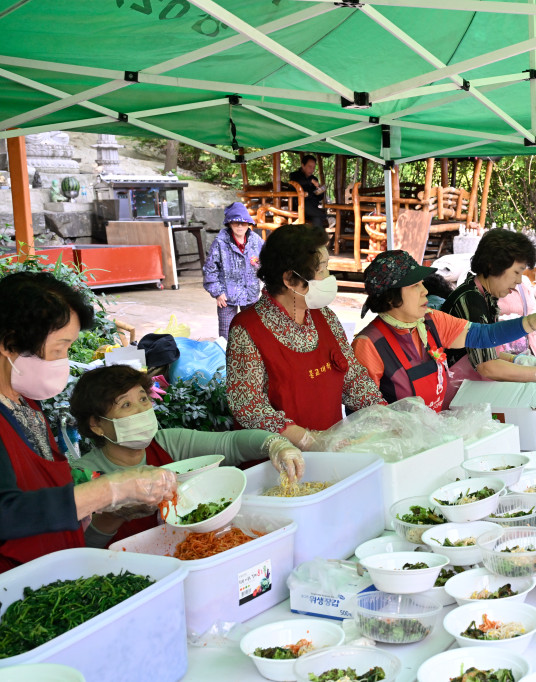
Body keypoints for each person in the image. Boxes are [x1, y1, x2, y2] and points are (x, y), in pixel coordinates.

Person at [0, 272, 177, 572]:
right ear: (10, 343)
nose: (64, 360)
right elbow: (8, 514)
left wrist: (108, 508)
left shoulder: (25, 402)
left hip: (57, 571)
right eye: (59, 349)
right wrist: (112, 489)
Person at [69, 365, 304, 546]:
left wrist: (275, 444)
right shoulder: (81, 475)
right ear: (96, 425)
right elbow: (78, 549)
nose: (142, 409)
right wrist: (113, 516)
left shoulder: (167, 442)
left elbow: (231, 443)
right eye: (126, 405)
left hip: (187, 554)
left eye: (142, 399)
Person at [226, 224, 385, 450]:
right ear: (290, 279)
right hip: (279, 459)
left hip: (331, 453)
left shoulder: (325, 316)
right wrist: (308, 440)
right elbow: (248, 406)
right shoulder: (247, 329)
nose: (329, 277)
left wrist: (384, 413)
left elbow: (353, 380)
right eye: (321, 270)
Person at [353, 250, 536, 411]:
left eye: (422, 284)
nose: (425, 290)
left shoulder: (431, 321)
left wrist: (535, 321)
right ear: (391, 298)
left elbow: (484, 335)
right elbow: (364, 417)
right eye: (414, 286)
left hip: (435, 432)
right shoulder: (368, 344)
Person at [439, 232, 536, 390]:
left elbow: (486, 350)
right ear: (493, 265)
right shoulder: (470, 300)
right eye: (516, 272)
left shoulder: (486, 297)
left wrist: (516, 360)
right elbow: (487, 366)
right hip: (454, 393)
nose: (519, 281)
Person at [203, 202, 264, 339]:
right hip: (226, 296)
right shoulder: (220, 242)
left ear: (248, 223)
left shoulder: (257, 241)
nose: (240, 226)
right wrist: (217, 292)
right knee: (226, 333)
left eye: (243, 223)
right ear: (230, 223)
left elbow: (267, 263)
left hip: (251, 294)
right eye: (236, 223)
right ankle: (227, 352)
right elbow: (210, 269)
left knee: (253, 332)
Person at [288, 154, 328, 228]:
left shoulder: (314, 178)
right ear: (303, 165)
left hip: (312, 208)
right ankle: (326, 218)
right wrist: (311, 181)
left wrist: (320, 192)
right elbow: (297, 182)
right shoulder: (294, 175)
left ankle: (317, 235)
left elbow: (319, 198)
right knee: (310, 208)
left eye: (313, 167)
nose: (312, 169)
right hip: (298, 206)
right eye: (310, 167)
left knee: (317, 219)